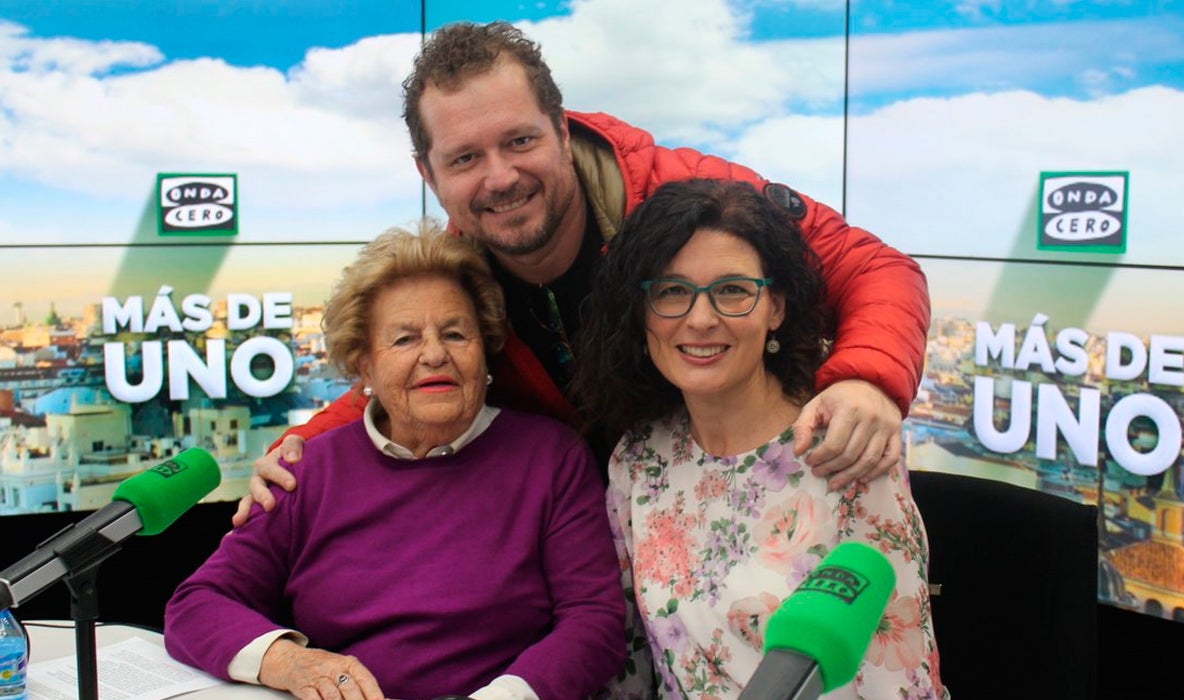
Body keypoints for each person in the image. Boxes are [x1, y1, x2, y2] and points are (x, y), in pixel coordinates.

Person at [234, 20, 930, 526]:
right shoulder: (454, 276)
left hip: (767, 508)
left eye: (520, 140)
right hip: (604, 539)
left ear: (563, 131)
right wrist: (300, 450)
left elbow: (872, 267)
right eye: (465, 158)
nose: (500, 177)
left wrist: (868, 380)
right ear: (428, 174)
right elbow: (402, 379)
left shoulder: (688, 196)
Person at [165, 226, 625, 700]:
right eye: (405, 339)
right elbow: (197, 604)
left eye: (455, 334)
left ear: (485, 349)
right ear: (364, 364)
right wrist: (293, 663)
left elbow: (594, 622)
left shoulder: (552, 458)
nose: (435, 354)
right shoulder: (304, 471)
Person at [574, 179, 945, 698]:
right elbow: (633, 666)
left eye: (732, 290)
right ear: (641, 313)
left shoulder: (844, 450)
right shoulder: (639, 459)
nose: (701, 319)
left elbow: (899, 683)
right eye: (672, 291)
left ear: (776, 307)